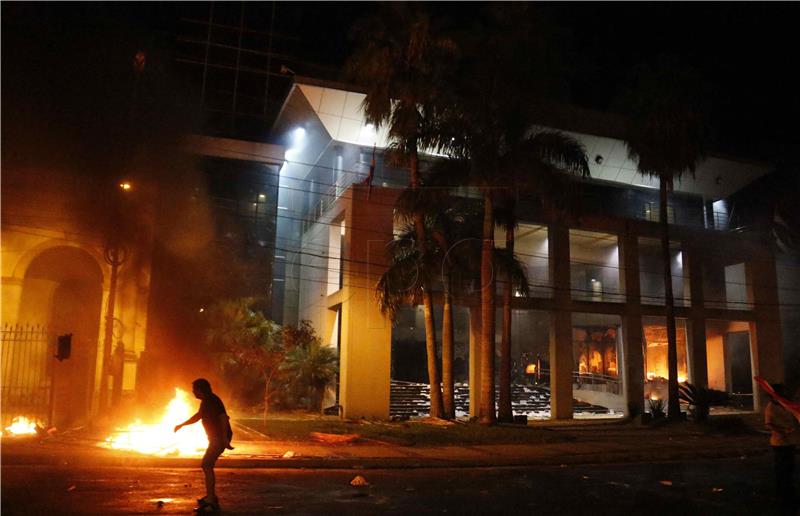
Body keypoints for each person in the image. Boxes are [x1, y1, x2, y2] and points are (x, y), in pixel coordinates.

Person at [174, 379, 233, 513]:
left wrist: (224, 439)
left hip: (218, 438)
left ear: (201, 390)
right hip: (215, 438)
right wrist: (182, 424)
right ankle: (211, 497)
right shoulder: (207, 401)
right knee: (207, 465)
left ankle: (211, 500)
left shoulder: (212, 401)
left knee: (206, 464)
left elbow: (223, 418)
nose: (193, 392)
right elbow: (198, 416)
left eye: (195, 389)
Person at [764, 383, 798, 514]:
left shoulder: (785, 405)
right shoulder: (771, 407)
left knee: (789, 469)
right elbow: (769, 424)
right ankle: (781, 497)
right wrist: (783, 431)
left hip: (790, 441)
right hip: (779, 442)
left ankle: (788, 495)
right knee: (781, 470)